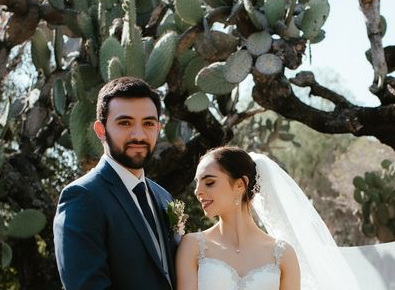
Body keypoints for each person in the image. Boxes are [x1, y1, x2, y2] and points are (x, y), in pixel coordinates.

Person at [53, 76, 178, 290]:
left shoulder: (164, 197)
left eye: (148, 123)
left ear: (158, 128)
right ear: (101, 130)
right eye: (125, 123)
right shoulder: (82, 197)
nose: (138, 135)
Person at [175, 146, 301, 290]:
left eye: (209, 182)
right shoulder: (192, 246)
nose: (197, 191)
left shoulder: (283, 255)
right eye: (197, 183)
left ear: (240, 185)